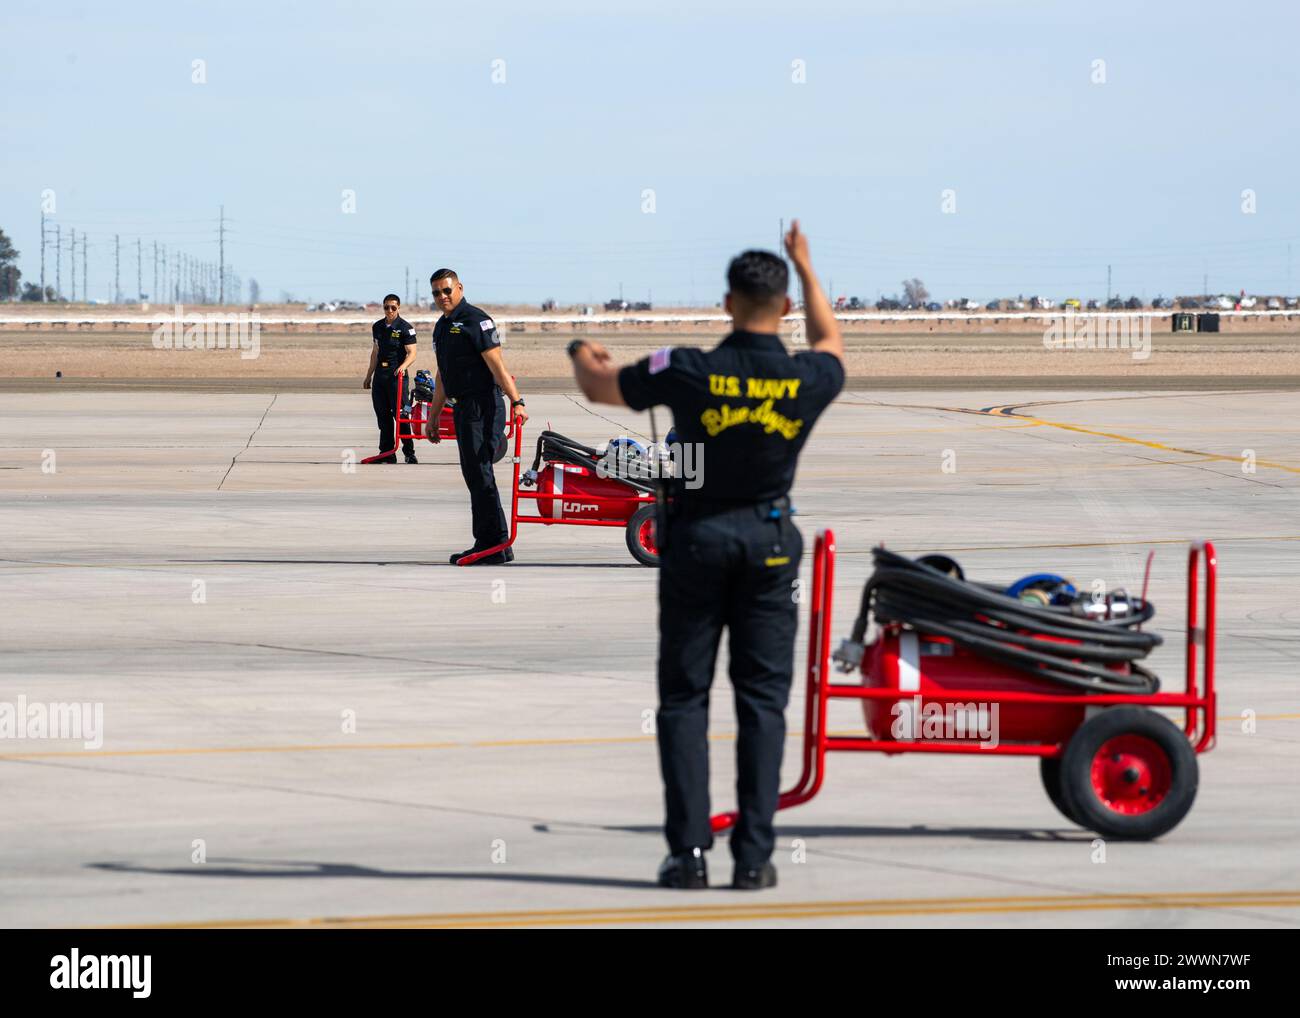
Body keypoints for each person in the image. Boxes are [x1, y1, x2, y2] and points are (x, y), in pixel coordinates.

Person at [568, 221, 845, 889]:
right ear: (784, 306)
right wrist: (806, 265)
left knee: (684, 699)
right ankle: (753, 858)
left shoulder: (687, 367)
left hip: (697, 541)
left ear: (726, 303)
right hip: (769, 543)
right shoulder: (807, 376)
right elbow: (831, 341)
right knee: (763, 702)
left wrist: (581, 349)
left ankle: (689, 855)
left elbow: (599, 387)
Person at [423, 268, 528, 564]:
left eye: (447, 290)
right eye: (436, 293)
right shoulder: (442, 327)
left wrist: (517, 401)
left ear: (459, 288)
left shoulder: (476, 320)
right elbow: (442, 375)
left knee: (480, 473)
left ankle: (489, 544)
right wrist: (433, 416)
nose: (442, 297)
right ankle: (498, 544)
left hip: (483, 406)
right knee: (476, 475)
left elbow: (497, 366)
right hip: (462, 408)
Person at [364, 293, 418, 464]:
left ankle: (409, 452)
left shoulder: (405, 328)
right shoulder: (378, 327)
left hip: (397, 377)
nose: (389, 310)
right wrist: (369, 376)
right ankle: (387, 453)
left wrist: (403, 366)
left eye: (393, 307)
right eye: (386, 307)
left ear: (398, 307)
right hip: (380, 376)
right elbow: (375, 352)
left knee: (401, 415)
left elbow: (412, 353)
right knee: (383, 416)